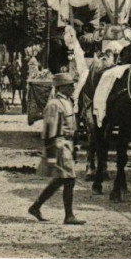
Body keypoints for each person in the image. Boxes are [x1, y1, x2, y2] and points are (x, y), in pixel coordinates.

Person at [29, 73, 85, 225]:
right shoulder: (55, 104)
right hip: (59, 145)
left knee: (62, 179)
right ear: (63, 87)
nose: (73, 87)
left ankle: (36, 206)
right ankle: (69, 216)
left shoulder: (67, 102)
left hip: (67, 144)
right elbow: (49, 131)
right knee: (69, 179)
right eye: (70, 85)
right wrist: (51, 155)